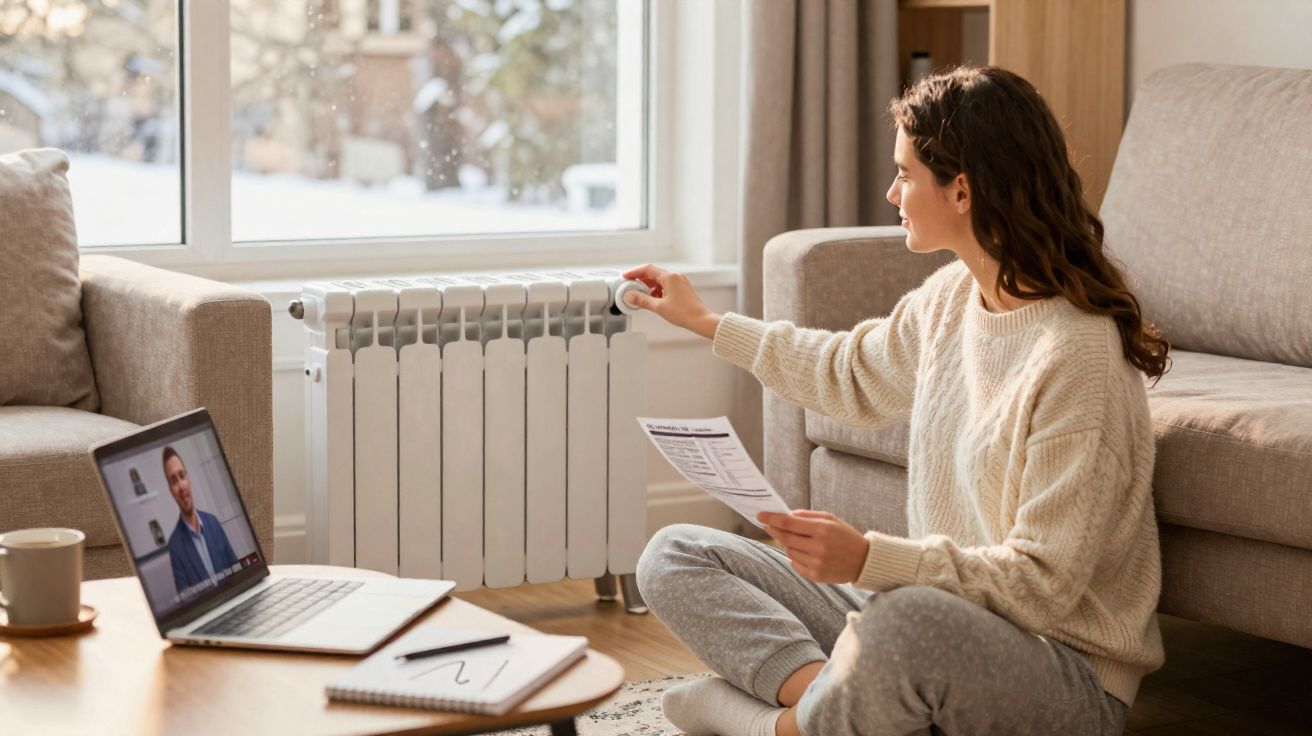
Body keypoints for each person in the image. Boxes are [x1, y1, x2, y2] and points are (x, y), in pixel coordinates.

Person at [625, 65, 1169, 736]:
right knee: (674, 552)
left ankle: (775, 727)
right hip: (937, 622)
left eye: (905, 175)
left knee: (901, 621)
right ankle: (830, 701)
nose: (891, 193)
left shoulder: (1075, 356)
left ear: (962, 190)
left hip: (1060, 672)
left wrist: (868, 560)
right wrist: (707, 323)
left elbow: (1041, 585)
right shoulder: (951, 298)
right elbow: (848, 372)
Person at [163, 445, 239, 595]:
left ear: (188, 479)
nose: (181, 486)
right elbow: (187, 599)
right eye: (174, 480)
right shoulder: (175, 546)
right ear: (171, 490)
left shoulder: (213, 523)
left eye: (182, 476)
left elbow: (237, 571)